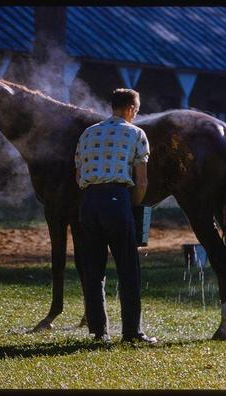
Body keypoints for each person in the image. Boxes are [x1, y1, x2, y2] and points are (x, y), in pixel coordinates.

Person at [74, 88, 157, 345]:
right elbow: (141, 182)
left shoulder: (88, 133)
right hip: (117, 200)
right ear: (131, 109)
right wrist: (131, 208)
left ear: (112, 106)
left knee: (93, 270)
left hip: (88, 203)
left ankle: (99, 332)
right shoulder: (136, 133)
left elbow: (79, 177)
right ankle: (132, 331)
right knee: (128, 269)